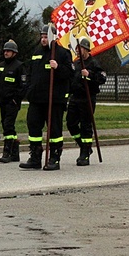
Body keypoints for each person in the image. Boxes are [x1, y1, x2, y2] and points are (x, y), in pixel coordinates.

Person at [19, 25, 73, 171]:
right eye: (42, 36)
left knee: (54, 129)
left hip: (54, 99)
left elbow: (69, 74)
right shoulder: (36, 52)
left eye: (46, 36)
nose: (43, 39)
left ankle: (54, 157)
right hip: (36, 98)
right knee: (33, 125)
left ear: (53, 37)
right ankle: (35, 156)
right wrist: (29, 90)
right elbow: (30, 72)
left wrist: (58, 67)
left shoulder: (62, 53)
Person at [66, 36, 107, 165]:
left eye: (80, 48)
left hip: (87, 97)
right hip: (75, 97)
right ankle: (83, 146)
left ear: (86, 49)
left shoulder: (94, 63)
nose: (77, 51)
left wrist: (89, 75)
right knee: (70, 123)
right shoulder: (76, 63)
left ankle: (85, 153)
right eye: (76, 48)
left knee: (85, 125)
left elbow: (102, 79)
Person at [0, 39, 27, 164]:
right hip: (2, 101)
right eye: (5, 51)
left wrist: (16, 99)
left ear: (14, 53)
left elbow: (23, 85)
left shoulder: (19, 66)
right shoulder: (0, 66)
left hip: (12, 101)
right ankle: (15, 153)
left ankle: (7, 151)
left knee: (8, 125)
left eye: (9, 51)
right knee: (6, 124)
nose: (6, 53)